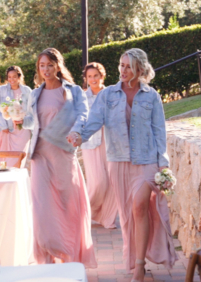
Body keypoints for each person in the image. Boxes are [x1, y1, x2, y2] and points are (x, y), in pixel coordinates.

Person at [73, 48, 178, 281]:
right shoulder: (108, 94)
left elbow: (159, 131)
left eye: (128, 66)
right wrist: (79, 137)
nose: (123, 70)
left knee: (140, 207)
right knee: (128, 215)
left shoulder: (151, 96)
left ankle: (139, 265)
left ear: (140, 69)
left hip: (146, 160)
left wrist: (163, 164)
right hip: (118, 161)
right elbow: (94, 122)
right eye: (121, 65)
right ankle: (134, 256)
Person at [22, 48, 96, 267]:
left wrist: (76, 131)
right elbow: (29, 122)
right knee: (42, 207)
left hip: (63, 154)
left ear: (58, 66)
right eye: (41, 66)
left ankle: (69, 255)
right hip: (40, 156)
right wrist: (18, 119)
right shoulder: (35, 94)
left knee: (67, 206)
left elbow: (83, 114)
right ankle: (46, 256)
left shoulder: (72, 91)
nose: (45, 70)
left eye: (49, 65)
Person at [80, 62, 117, 229]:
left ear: (102, 76)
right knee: (98, 182)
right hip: (90, 142)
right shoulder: (82, 97)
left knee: (112, 180)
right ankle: (83, 212)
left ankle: (107, 218)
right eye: (90, 76)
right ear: (86, 79)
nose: (93, 79)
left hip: (111, 141)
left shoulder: (113, 94)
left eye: (96, 75)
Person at [0, 66, 32, 167]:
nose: (11, 79)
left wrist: (26, 121)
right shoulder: (1, 90)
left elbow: (32, 110)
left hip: (23, 130)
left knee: (20, 158)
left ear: (19, 77)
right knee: (7, 158)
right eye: (9, 77)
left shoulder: (27, 91)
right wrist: (3, 125)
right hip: (8, 130)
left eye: (14, 76)